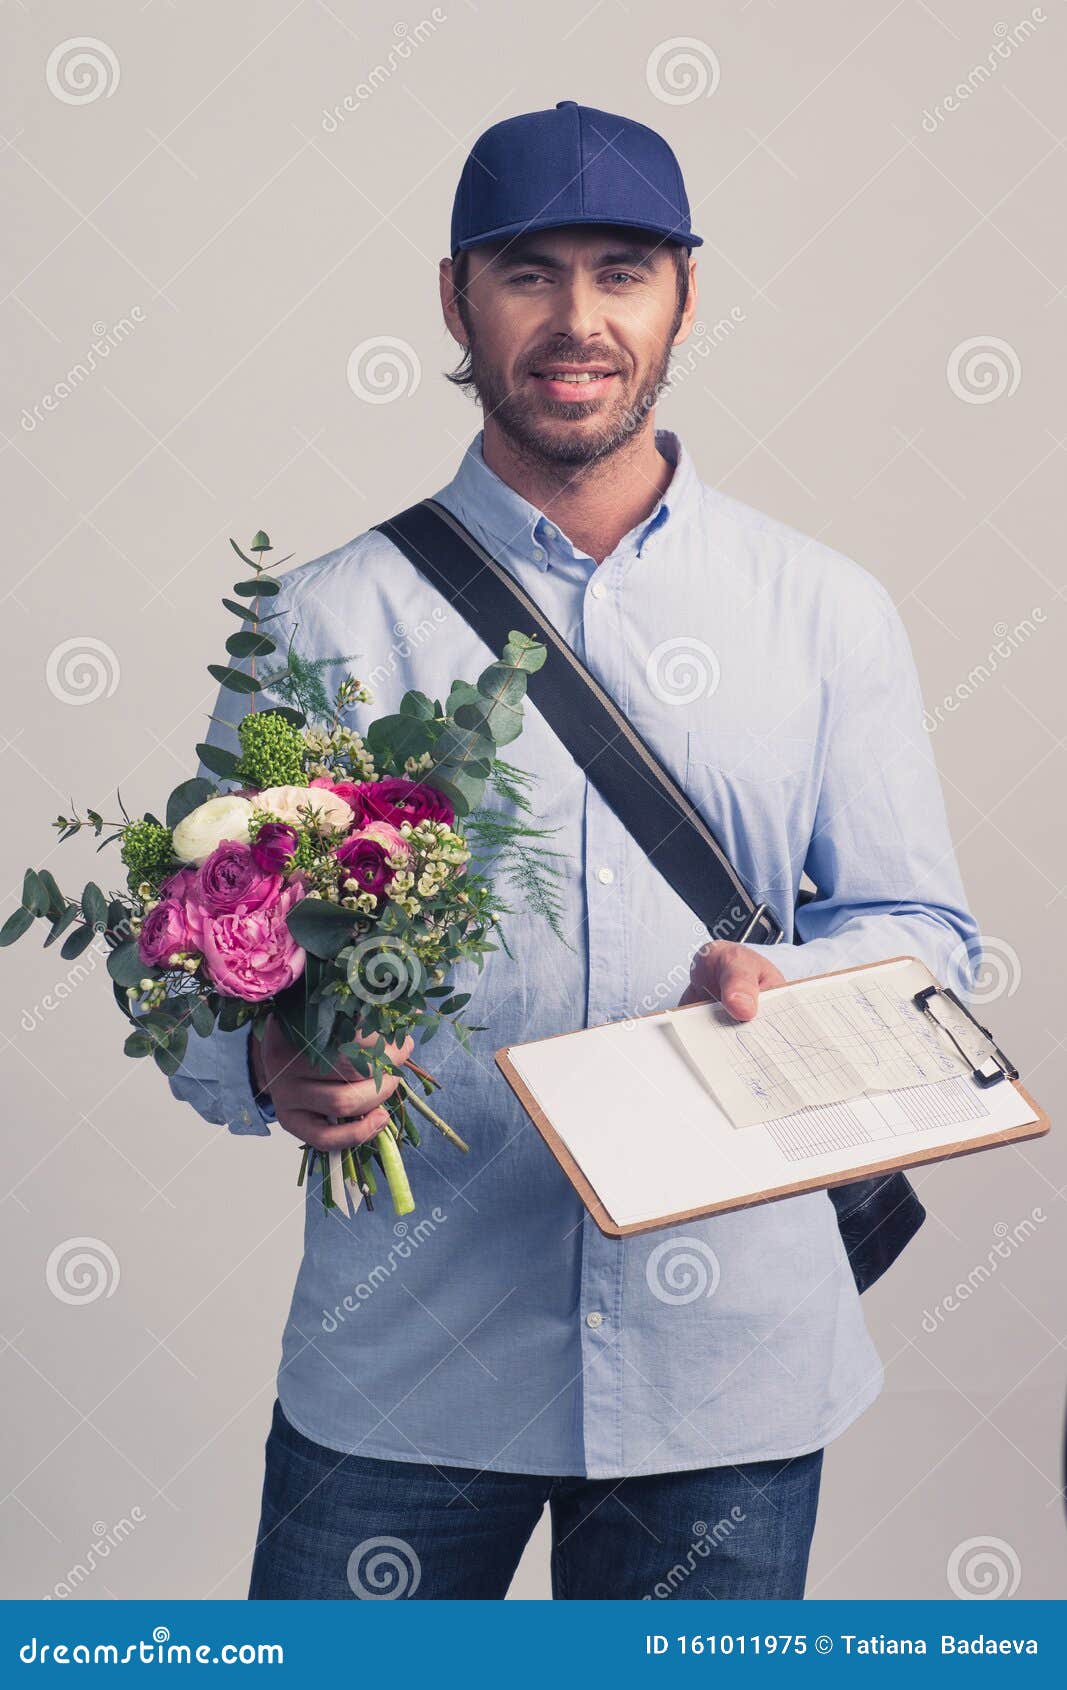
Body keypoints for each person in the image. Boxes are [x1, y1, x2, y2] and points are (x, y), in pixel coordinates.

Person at [171, 101, 979, 1601]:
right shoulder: (323, 622)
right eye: (528, 271)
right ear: (456, 298)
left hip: (727, 1371)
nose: (577, 318)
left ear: (685, 294)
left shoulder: (824, 610)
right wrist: (274, 1061)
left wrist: (795, 984)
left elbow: (926, 930)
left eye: (622, 270)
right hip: (403, 1371)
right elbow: (205, 956)